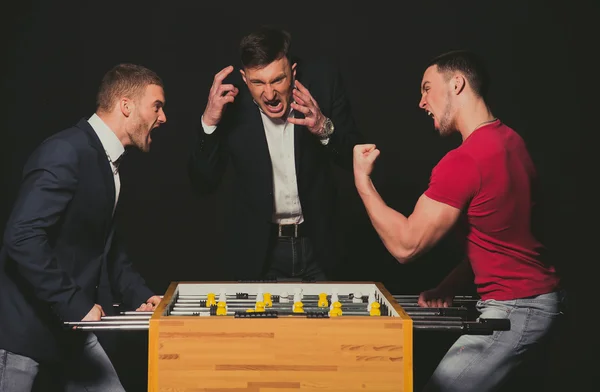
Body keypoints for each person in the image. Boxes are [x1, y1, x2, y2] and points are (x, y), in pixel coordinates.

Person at [352, 50, 564, 392]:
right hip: (538, 303)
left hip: (516, 309)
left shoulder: (466, 160)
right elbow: (500, 238)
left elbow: (406, 246)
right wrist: (451, 285)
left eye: (426, 88)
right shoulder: (511, 142)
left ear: (457, 83)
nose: (421, 102)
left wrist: (362, 182)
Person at [0, 63, 166, 391]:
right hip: (22, 332)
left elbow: (108, 248)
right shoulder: (66, 151)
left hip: (70, 327)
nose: (163, 118)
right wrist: (74, 303)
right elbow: (21, 236)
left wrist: (141, 296)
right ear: (126, 105)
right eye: (157, 106)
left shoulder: (108, 163)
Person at [189, 25, 363, 281]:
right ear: (245, 78)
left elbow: (357, 159)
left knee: (328, 322)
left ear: (292, 72)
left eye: (277, 80)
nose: (269, 94)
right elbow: (202, 183)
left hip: (320, 248)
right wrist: (209, 123)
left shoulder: (324, 83)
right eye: (258, 82)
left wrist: (324, 128)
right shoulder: (229, 102)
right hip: (259, 254)